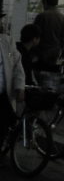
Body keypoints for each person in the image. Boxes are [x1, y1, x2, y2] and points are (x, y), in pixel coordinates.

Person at [0, 11, 25, 149]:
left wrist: (20, 86)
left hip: (4, 94)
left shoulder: (7, 41)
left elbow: (17, 65)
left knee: (3, 127)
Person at [33, 0, 64, 72]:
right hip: (55, 51)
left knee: (40, 73)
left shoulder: (42, 16)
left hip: (42, 51)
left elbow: (35, 33)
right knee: (51, 73)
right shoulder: (62, 17)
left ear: (45, 3)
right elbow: (63, 36)